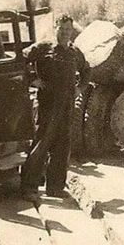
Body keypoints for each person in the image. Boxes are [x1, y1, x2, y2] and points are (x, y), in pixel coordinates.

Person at [20, 14, 89, 200]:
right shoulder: (43, 47)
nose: (65, 33)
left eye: (68, 30)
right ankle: (29, 187)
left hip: (67, 104)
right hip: (48, 104)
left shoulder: (75, 52)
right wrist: (33, 80)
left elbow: (87, 71)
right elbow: (22, 59)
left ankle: (55, 187)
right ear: (56, 27)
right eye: (62, 29)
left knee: (63, 145)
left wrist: (79, 89)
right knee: (42, 143)